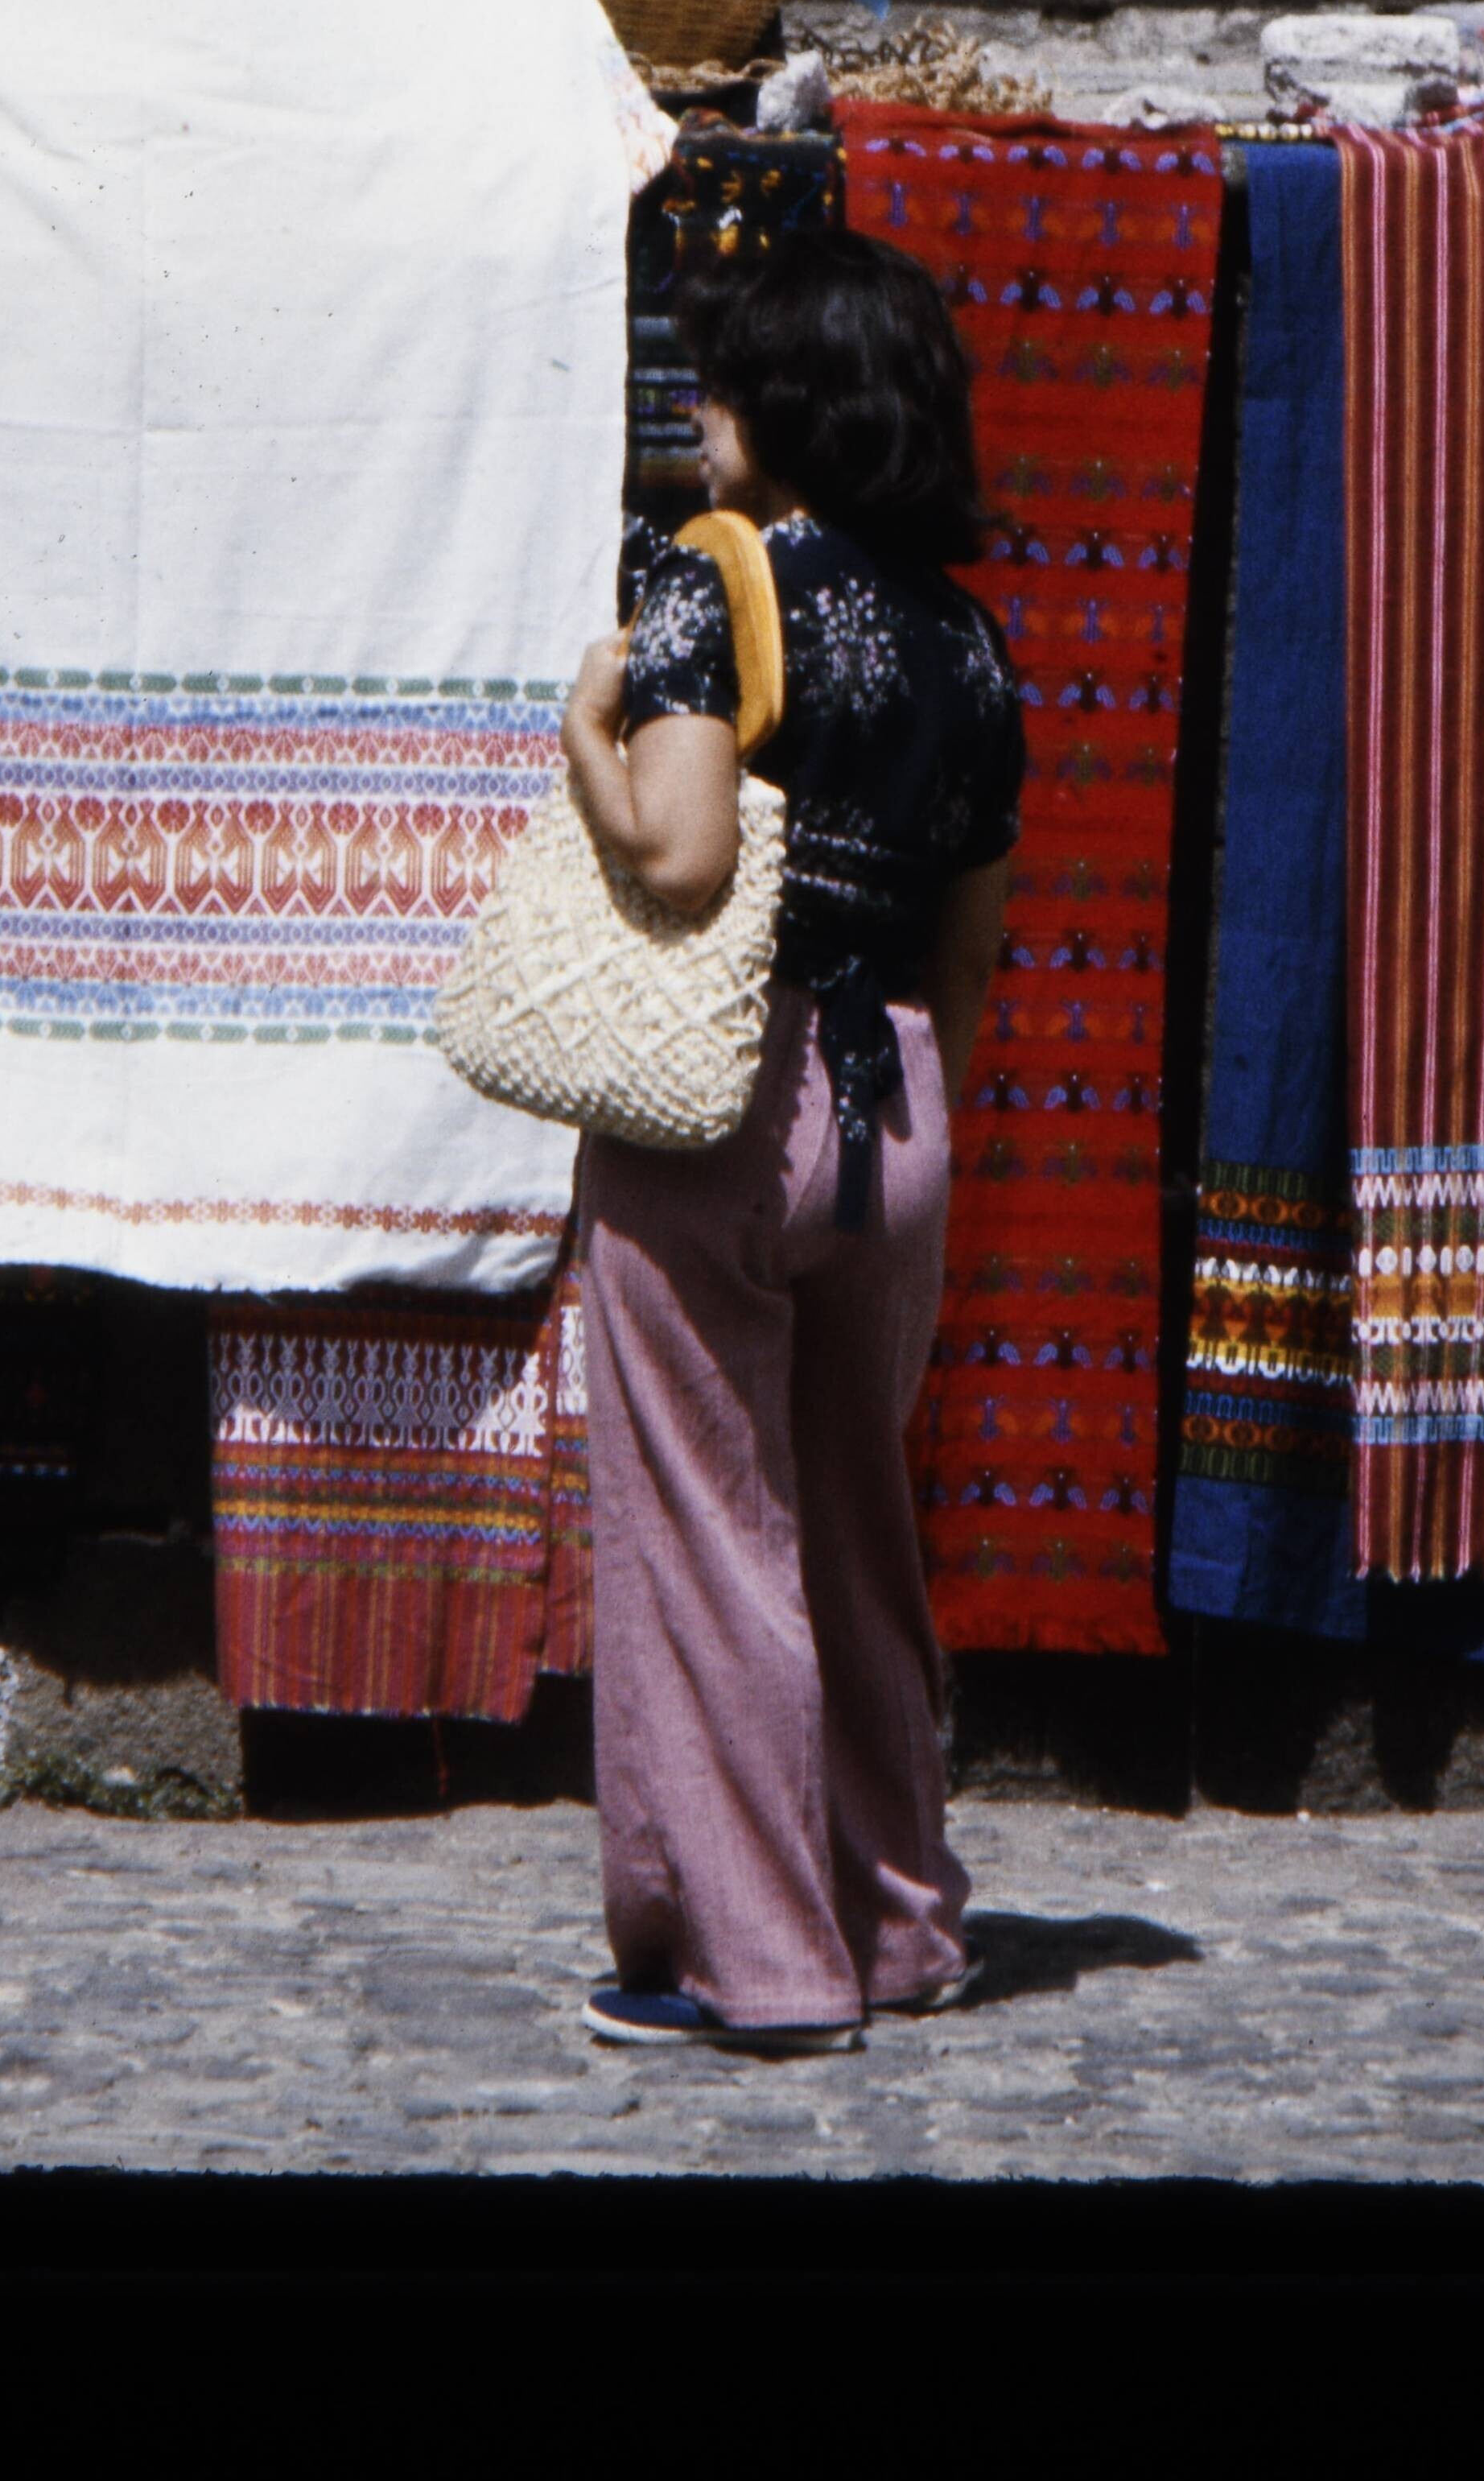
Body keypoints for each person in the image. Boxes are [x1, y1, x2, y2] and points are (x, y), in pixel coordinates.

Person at [556, 229, 1024, 2057]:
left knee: (709, 1529)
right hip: (895, 1096)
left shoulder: (709, 574)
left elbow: (680, 857)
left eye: (726, 378)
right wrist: (915, 1122)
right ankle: (902, 1924)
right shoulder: (968, 636)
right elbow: (968, 945)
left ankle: (756, 1960)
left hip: (720, 1099)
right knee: (855, 1523)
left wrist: (588, 737)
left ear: (791, 405)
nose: (701, 409)